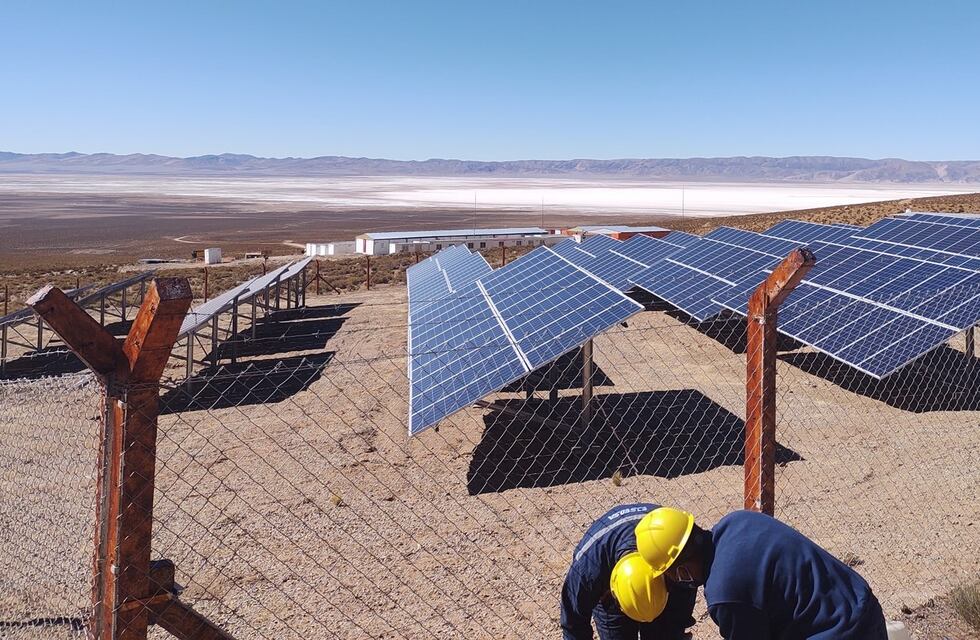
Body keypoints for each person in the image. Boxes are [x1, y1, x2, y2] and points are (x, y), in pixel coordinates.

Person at [633, 507, 888, 640]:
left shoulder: (725, 593)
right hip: (864, 606)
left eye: (673, 576)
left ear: (683, 570)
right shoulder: (736, 521)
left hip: (839, 633)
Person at [561, 503, 697, 640]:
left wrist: (676, 628)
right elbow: (573, 625)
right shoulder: (588, 570)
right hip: (610, 594)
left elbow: (687, 589)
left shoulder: (671, 554)